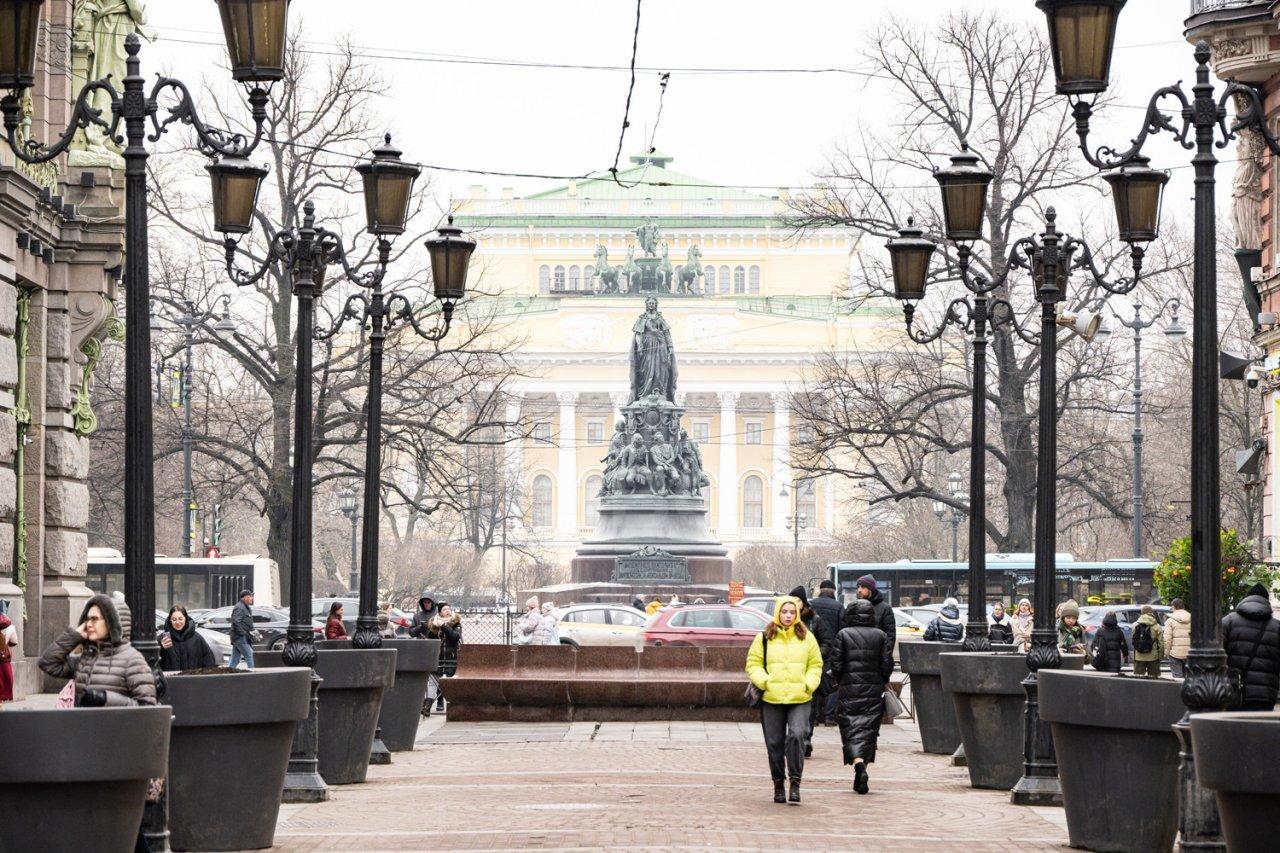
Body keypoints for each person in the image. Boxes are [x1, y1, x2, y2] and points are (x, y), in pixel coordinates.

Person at [745, 596, 823, 804]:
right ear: (777, 613)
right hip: (771, 697)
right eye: (784, 612)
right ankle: (778, 783)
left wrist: (809, 683)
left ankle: (795, 782)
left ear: (797, 614)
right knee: (774, 743)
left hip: (800, 696)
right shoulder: (764, 637)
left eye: (792, 612)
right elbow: (753, 664)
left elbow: (816, 664)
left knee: (797, 736)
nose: (788, 616)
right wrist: (764, 681)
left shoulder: (807, 637)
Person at [38, 594, 156, 706]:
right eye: (87, 619)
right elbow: (48, 663)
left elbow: (147, 708)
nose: (88, 624)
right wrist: (75, 636)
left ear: (112, 622)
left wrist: (105, 699)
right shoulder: (86, 658)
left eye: (94, 619)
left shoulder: (133, 660)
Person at [832, 599, 894, 795]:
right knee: (869, 731)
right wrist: (882, 679)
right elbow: (887, 663)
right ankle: (863, 768)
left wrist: (840, 679)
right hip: (873, 691)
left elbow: (836, 664)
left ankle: (858, 765)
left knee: (850, 729)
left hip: (849, 690)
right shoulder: (881, 635)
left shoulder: (843, 634)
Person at [789, 585, 835, 757]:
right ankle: (794, 737)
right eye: (792, 600)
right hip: (790, 671)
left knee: (810, 706)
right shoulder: (785, 620)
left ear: (804, 602)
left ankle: (806, 739)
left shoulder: (815, 620)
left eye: (798, 600)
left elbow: (827, 642)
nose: (795, 603)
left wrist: (814, 656)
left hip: (809, 671)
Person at [1222, 582, 1280, 711]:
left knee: (1232, 724)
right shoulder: (1277, 627)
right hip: (1265, 694)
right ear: (1267, 601)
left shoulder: (1228, 621)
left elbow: (1217, 654)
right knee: (1260, 724)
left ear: (1246, 598)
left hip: (1234, 691)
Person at [158, 605, 216, 672]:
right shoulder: (163, 639)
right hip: (170, 678)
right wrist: (161, 648)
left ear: (186, 619)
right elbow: (153, 663)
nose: (177, 622)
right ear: (170, 620)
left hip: (192, 678)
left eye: (180, 619)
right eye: (174, 619)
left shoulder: (197, 638)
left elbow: (208, 661)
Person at [851, 575, 896, 660]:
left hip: (876, 658)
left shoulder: (885, 608)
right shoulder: (853, 607)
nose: (859, 590)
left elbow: (890, 636)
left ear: (871, 589)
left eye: (863, 587)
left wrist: (885, 659)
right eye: (858, 587)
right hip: (856, 658)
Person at [429, 602, 463, 713]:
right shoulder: (433, 624)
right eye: (444, 609)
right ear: (440, 612)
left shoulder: (456, 623)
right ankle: (431, 704)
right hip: (438, 656)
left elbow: (455, 636)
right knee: (435, 680)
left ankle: (453, 706)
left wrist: (444, 626)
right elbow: (431, 640)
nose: (447, 611)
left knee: (450, 681)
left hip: (451, 656)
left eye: (448, 608)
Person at [1131, 605, 1165, 678]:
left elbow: (1134, 640)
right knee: (1154, 679)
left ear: (1141, 613)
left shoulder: (1134, 625)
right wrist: (1160, 655)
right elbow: (1161, 643)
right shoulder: (1157, 626)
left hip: (1138, 656)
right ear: (1151, 613)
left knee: (1138, 679)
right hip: (1153, 657)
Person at [1164, 598, 1190, 678]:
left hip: (1175, 654)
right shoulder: (1192, 618)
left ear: (1173, 607)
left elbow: (1167, 639)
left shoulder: (1170, 621)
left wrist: (1166, 653)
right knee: (1189, 679)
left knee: (1177, 679)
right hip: (1190, 653)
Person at [229, 589, 255, 670]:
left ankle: (228, 673)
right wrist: (243, 633)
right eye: (250, 596)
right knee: (250, 655)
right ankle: (253, 674)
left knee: (235, 659)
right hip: (239, 637)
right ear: (245, 597)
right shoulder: (240, 607)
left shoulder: (244, 607)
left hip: (240, 637)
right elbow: (235, 622)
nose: (252, 598)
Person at [0, 600, 15, 702]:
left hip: (3, 658)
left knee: (7, 680)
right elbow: (6, 622)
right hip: (2, 658)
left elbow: (6, 622)